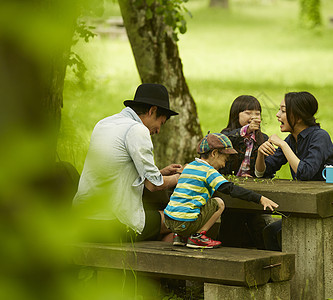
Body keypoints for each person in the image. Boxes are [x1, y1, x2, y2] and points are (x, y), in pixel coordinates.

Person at [73, 83, 182, 243]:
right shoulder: (137, 130)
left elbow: (117, 168)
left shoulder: (104, 124)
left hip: (83, 221)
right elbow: (153, 185)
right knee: (177, 220)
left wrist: (160, 173)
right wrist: (180, 177)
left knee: (156, 222)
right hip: (112, 223)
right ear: (152, 111)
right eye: (161, 123)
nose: (158, 130)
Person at [255, 91, 333, 250]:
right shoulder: (292, 140)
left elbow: (305, 173)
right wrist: (260, 154)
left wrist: (282, 145)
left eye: (283, 110)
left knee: (274, 233)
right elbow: (263, 172)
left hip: (330, 207)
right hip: (307, 205)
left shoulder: (320, 137)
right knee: (269, 232)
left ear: (298, 116)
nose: (277, 115)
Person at [163, 133, 279, 249]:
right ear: (214, 154)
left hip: (169, 220)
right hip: (186, 223)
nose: (224, 164)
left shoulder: (189, 167)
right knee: (219, 203)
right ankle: (197, 237)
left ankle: (179, 237)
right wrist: (260, 198)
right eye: (225, 159)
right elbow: (231, 189)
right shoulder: (209, 171)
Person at [218, 95, 271, 249]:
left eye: (257, 113)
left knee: (258, 226)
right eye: (248, 113)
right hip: (231, 190)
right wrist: (244, 131)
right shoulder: (228, 135)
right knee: (232, 227)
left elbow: (263, 171)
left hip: (254, 191)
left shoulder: (263, 139)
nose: (253, 117)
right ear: (237, 114)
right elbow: (222, 141)